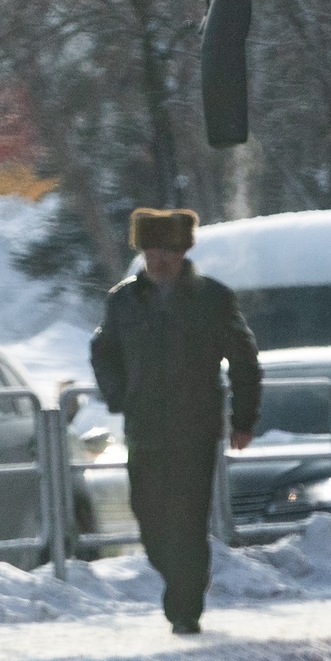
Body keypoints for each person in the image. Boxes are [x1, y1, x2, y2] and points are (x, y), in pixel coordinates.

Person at [90, 209, 261, 635]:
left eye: (166, 251)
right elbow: (103, 350)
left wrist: (243, 419)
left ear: (183, 252)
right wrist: (118, 394)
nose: (158, 260)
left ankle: (185, 606)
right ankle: (181, 582)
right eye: (151, 251)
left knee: (186, 519)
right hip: (144, 428)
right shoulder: (123, 300)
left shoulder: (213, 299)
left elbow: (244, 358)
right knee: (148, 517)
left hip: (195, 429)